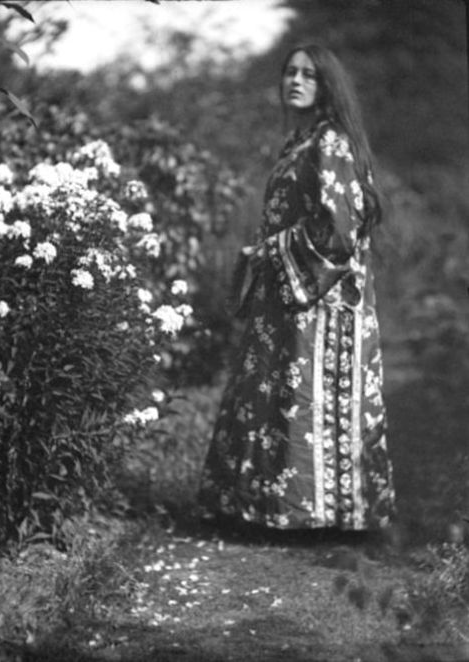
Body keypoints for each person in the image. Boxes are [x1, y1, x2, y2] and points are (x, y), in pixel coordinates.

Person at [198, 44, 395, 532]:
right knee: (278, 395)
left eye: (308, 74)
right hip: (291, 293)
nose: (296, 80)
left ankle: (328, 514)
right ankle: (273, 509)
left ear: (326, 85)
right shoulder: (299, 142)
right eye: (290, 72)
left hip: (325, 301)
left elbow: (340, 230)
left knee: (309, 397)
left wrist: (271, 251)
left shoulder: (330, 142)